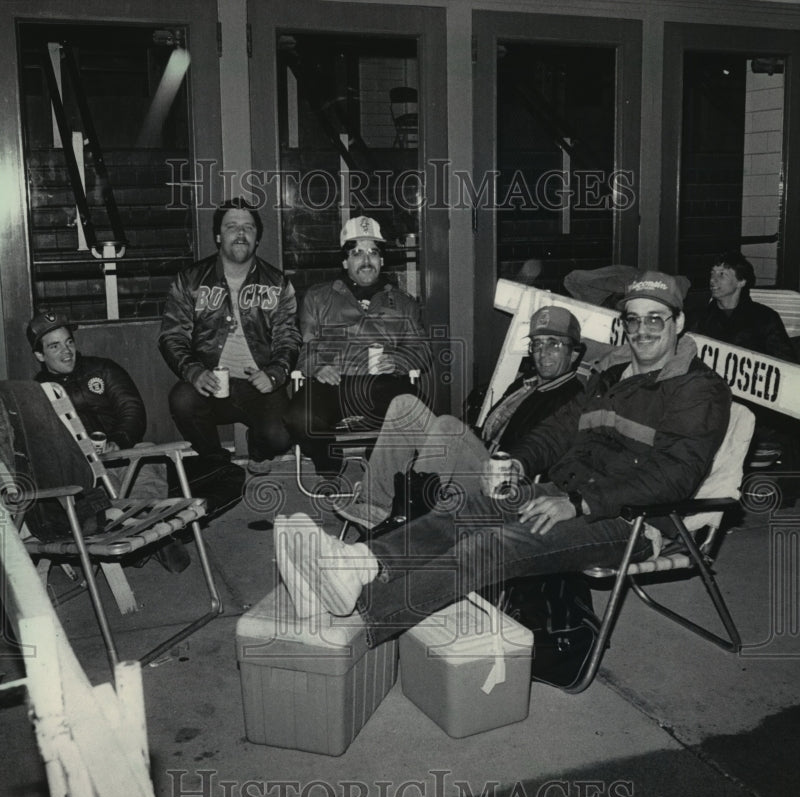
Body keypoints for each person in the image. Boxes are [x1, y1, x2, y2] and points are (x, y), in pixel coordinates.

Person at [274, 271, 733, 646]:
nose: (643, 330)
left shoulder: (698, 389)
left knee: (489, 547)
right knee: (464, 510)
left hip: (631, 520)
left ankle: (360, 622)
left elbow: (677, 476)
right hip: (564, 491)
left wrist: (582, 503)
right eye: (634, 320)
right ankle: (356, 567)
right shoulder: (613, 373)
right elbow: (559, 429)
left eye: (656, 319)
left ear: (679, 323)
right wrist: (517, 460)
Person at [337, 304, 586, 531]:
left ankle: (412, 520)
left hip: (503, 482)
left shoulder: (571, 398)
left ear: (574, 353)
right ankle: (374, 504)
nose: (543, 353)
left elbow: (540, 449)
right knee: (405, 405)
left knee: (448, 426)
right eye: (537, 344)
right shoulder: (527, 383)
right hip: (482, 457)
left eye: (554, 344)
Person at [26, 311, 190, 573]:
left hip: (122, 455)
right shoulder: (37, 393)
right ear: (40, 356)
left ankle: (143, 530)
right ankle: (152, 534)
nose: (66, 351)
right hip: (87, 473)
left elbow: (131, 408)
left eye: (69, 342)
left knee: (147, 454)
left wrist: (119, 440)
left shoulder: (101, 368)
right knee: (107, 486)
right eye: (54, 346)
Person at [159, 198, 301, 492]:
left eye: (248, 227)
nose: (240, 233)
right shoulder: (190, 280)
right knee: (181, 399)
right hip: (212, 382)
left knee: (282, 435)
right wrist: (194, 371)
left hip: (259, 382)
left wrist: (276, 372)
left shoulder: (277, 283)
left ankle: (258, 450)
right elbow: (171, 335)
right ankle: (216, 461)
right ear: (218, 236)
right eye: (231, 226)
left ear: (257, 238)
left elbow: (289, 336)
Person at [284, 215, 432, 480]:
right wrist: (316, 366)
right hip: (330, 382)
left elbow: (422, 351)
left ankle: (382, 468)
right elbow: (301, 347)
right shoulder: (318, 297)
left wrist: (399, 361)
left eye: (373, 253)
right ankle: (328, 459)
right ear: (345, 261)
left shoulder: (403, 302)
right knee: (298, 418)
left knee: (413, 412)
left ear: (382, 260)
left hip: (383, 382)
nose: (366, 260)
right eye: (357, 253)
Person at [685, 250, 800, 482]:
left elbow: (785, 366)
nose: (713, 280)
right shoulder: (697, 318)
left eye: (722, 274)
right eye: (712, 273)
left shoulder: (764, 317)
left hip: (755, 404)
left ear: (741, 281)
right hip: (708, 400)